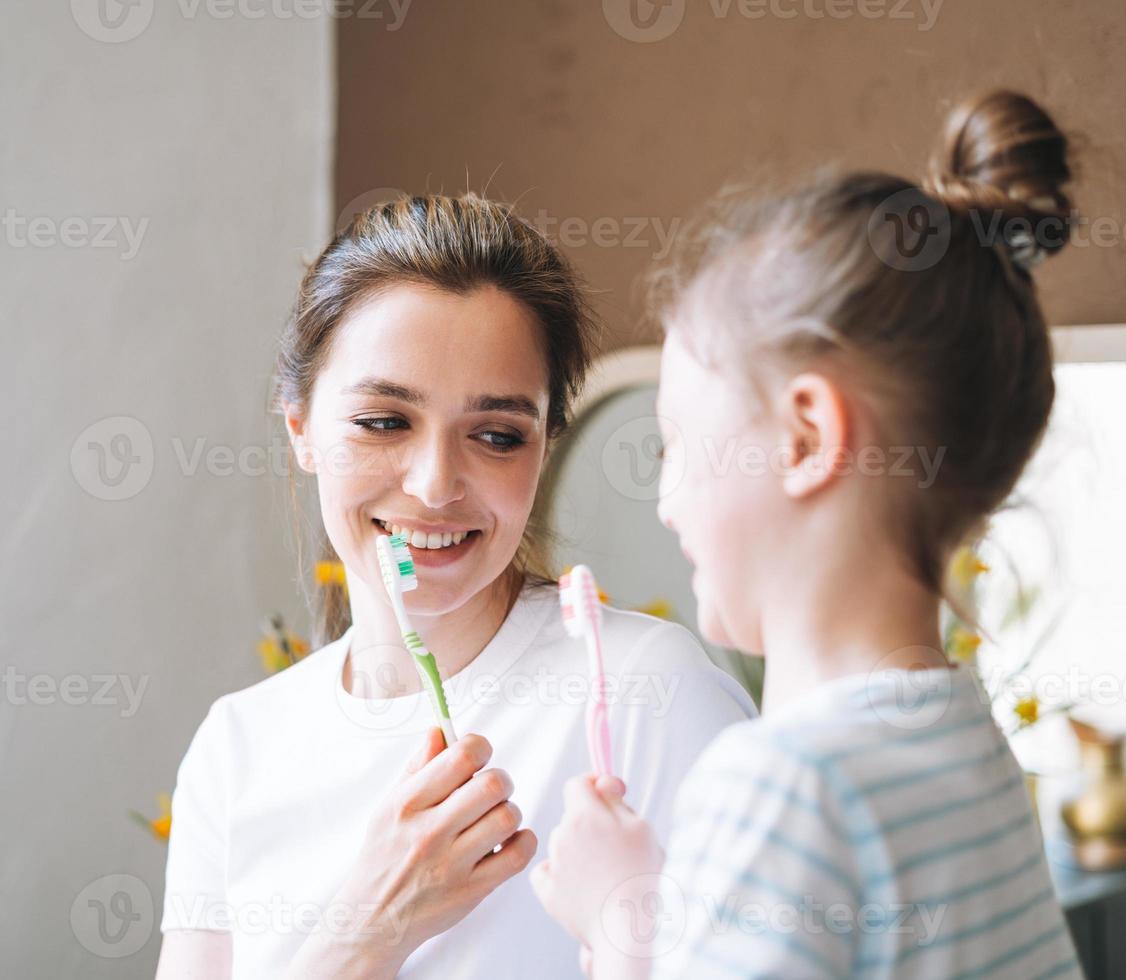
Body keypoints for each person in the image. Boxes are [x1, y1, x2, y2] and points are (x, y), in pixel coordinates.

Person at [531, 92, 1084, 980]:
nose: (665, 502)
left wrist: (619, 925)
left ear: (806, 440)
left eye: (675, 446)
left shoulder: (778, 785)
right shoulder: (964, 739)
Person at [155, 194, 756, 979]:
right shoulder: (238, 748)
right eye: (384, 422)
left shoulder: (646, 694)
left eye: (497, 435)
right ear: (301, 427)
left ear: (541, 451)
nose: (436, 486)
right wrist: (367, 931)